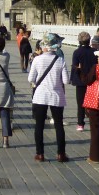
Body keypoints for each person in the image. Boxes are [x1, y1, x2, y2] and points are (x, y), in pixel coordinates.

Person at [28, 33, 70, 163]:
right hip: (56, 95)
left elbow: (30, 79)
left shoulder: (37, 59)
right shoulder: (60, 60)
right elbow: (66, 80)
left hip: (40, 95)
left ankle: (40, 154)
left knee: (39, 125)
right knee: (58, 125)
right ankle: (61, 154)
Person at [70, 31, 96, 132]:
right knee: (92, 103)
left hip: (80, 81)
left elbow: (75, 66)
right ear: (89, 41)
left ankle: (80, 124)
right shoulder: (94, 51)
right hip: (92, 80)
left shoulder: (77, 52)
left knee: (80, 103)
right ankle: (93, 121)